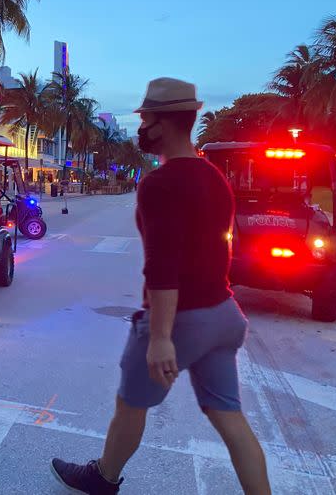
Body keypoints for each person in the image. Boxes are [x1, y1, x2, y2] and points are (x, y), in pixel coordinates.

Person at [51, 78, 271, 495]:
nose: (141, 127)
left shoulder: (160, 183)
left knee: (130, 405)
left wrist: (160, 337)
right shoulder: (214, 178)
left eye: (146, 118)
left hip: (181, 319)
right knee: (230, 418)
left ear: (165, 124)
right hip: (224, 314)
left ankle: (103, 478)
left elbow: (163, 267)